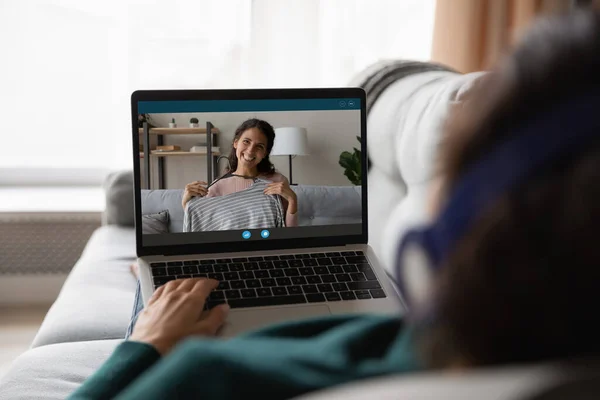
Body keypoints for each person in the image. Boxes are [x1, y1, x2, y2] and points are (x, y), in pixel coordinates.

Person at [69, 9, 600, 400]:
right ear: (234, 146)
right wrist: (192, 207)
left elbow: (288, 227)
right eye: (244, 143)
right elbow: (187, 233)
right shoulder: (206, 191)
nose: (249, 150)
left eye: (449, 164)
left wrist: (146, 345)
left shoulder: (208, 374)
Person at [182, 118, 298, 228]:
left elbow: (289, 232)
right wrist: (187, 203)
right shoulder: (218, 186)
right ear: (236, 143)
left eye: (259, 146)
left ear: (265, 153)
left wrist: (293, 200)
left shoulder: (278, 182)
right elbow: (202, 224)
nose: (251, 150)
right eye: (246, 141)